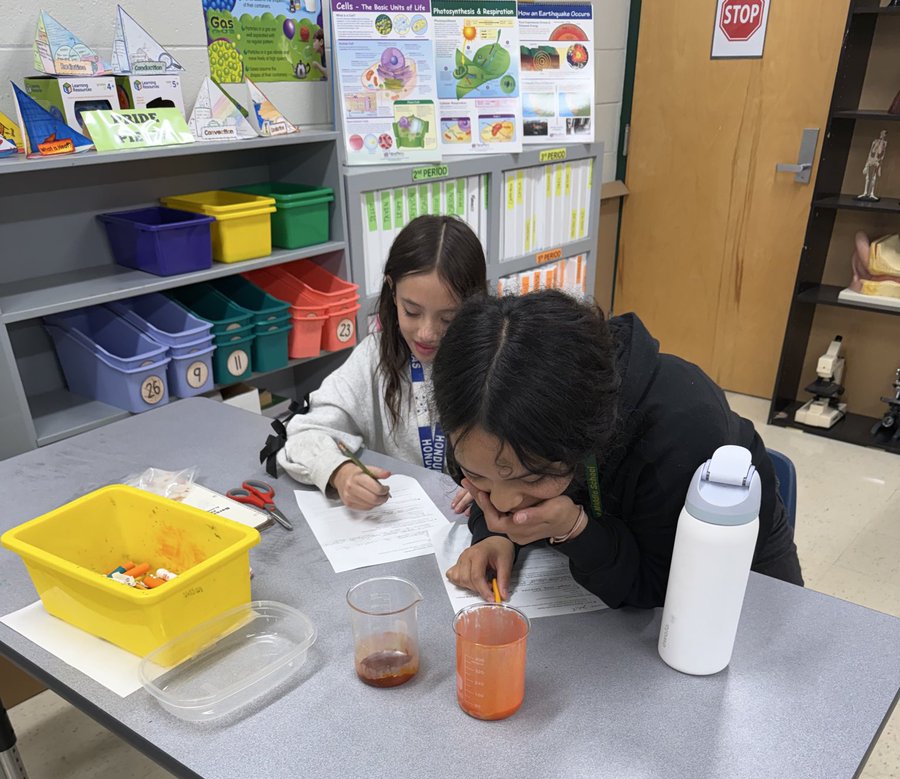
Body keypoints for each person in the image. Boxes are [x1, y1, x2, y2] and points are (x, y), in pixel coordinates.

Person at [432, 290, 803, 608]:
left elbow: (656, 589)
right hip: (604, 565)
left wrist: (576, 530)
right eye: (480, 476)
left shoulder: (681, 428)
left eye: (530, 476)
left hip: (725, 565)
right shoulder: (480, 419)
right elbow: (493, 477)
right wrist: (495, 534)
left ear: (582, 436)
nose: (504, 503)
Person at [278, 215, 487, 511]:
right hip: (401, 521)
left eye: (448, 318)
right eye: (412, 311)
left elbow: (542, 456)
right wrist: (340, 472)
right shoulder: (375, 357)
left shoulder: (495, 356)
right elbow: (303, 433)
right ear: (392, 290)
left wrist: (496, 484)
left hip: (485, 526)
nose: (427, 333)